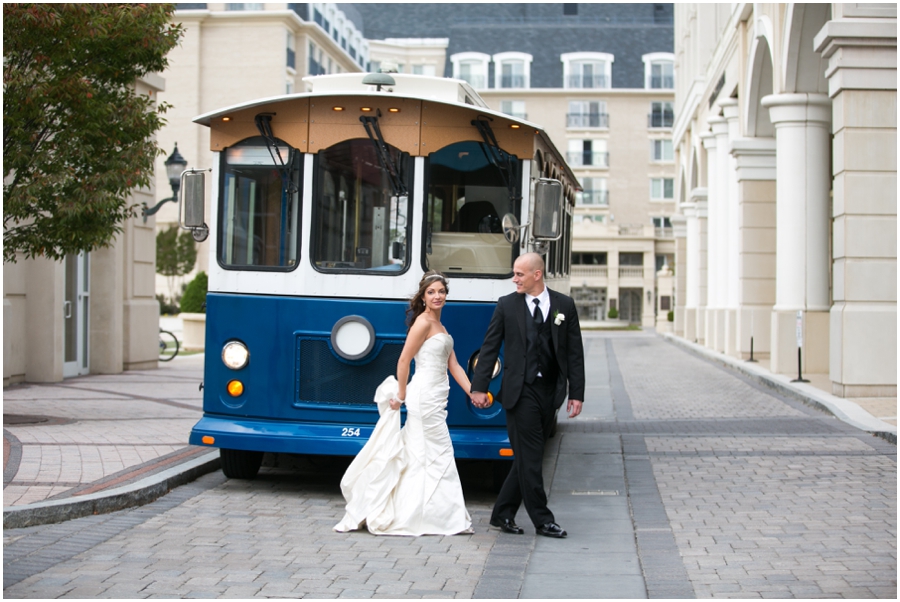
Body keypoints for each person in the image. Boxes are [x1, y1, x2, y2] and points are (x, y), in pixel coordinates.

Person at [334, 270, 474, 536]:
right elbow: (403, 360)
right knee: (438, 451)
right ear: (422, 296)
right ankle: (435, 516)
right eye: (431, 292)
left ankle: (431, 514)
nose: (437, 296)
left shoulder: (441, 326)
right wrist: (401, 394)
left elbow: (453, 364)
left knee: (425, 453)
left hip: (437, 397)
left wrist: (472, 392)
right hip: (423, 397)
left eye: (441, 291)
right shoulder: (423, 323)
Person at [470, 252, 585, 539]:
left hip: (550, 392)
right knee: (532, 458)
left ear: (537, 274)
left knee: (526, 457)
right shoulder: (507, 305)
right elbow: (490, 347)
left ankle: (502, 514)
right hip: (519, 393)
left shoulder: (564, 305)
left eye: (520, 274)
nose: (514, 279)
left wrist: (576, 393)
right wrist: (479, 387)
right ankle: (543, 520)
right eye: (514, 273)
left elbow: (574, 353)